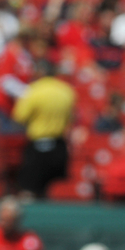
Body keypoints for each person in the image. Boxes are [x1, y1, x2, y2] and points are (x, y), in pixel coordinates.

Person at [11, 60, 76, 200]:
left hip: (37, 146)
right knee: (57, 191)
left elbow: (19, 117)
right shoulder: (66, 90)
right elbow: (71, 118)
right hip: (59, 147)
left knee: (29, 191)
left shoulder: (33, 90)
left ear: (39, 73)